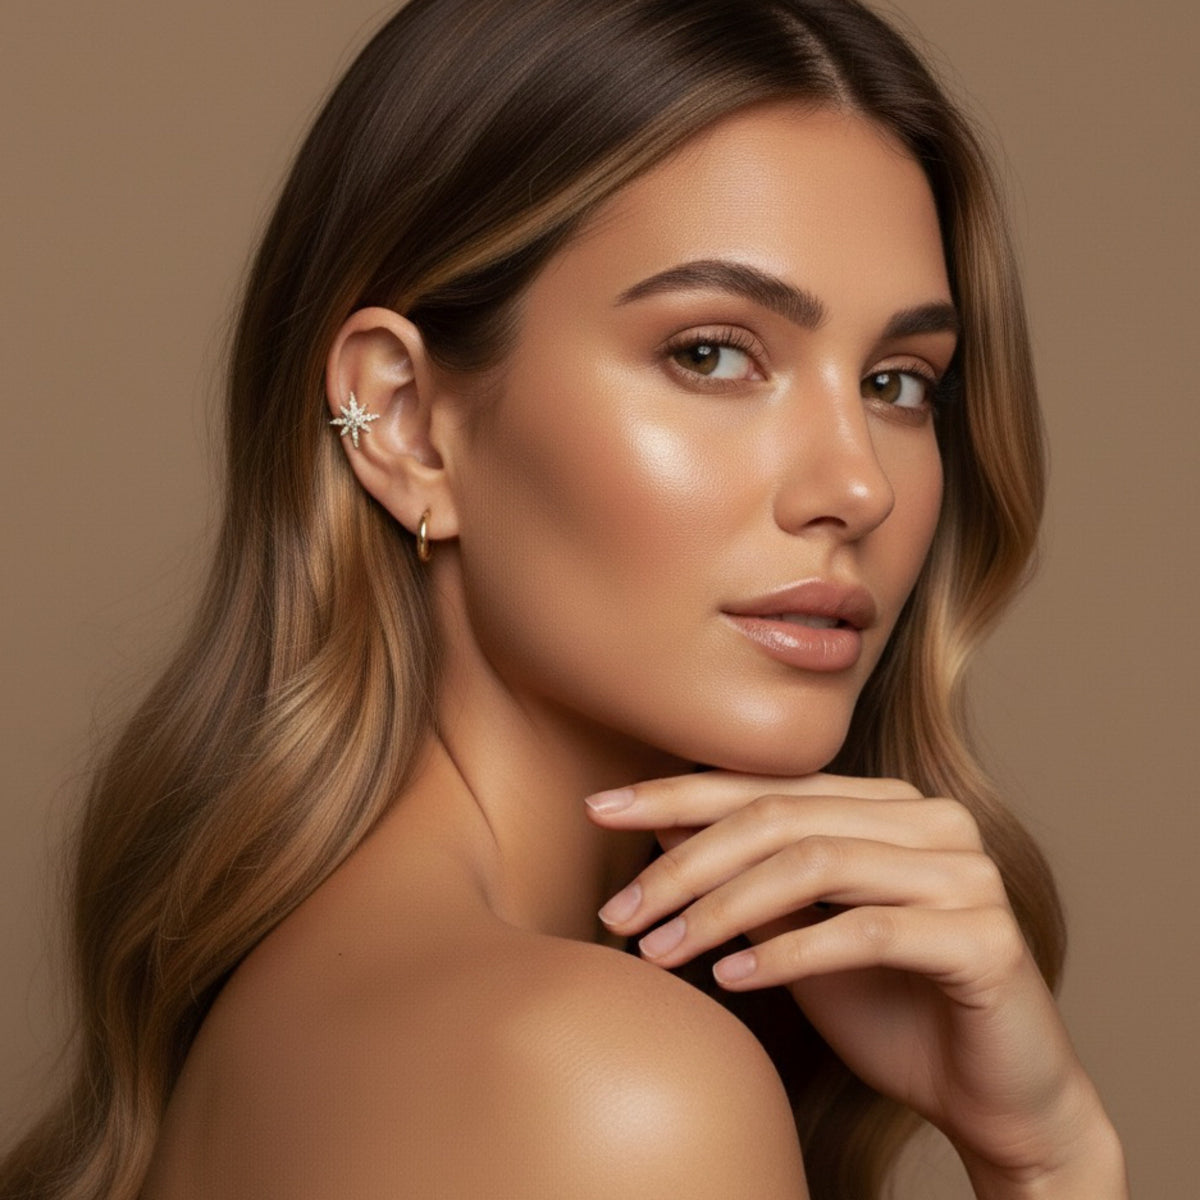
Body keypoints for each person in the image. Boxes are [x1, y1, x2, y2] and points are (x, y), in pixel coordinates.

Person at [1, 0, 1129, 1196]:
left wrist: (1041, 1154)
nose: (856, 484)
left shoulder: (285, 1016)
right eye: (711, 354)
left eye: (901, 382)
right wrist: (1058, 1167)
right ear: (404, 423)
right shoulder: (613, 1087)